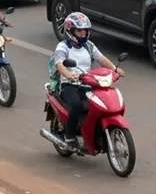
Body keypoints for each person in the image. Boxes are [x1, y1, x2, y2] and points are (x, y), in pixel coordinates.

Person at [48, 11, 124, 150]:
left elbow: (101, 59)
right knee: (77, 105)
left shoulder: (89, 45)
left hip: (88, 83)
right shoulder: (63, 47)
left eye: (85, 31)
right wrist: (69, 75)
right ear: (70, 31)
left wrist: (114, 69)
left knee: (102, 103)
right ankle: (69, 136)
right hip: (69, 85)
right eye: (79, 31)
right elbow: (59, 64)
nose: (83, 34)